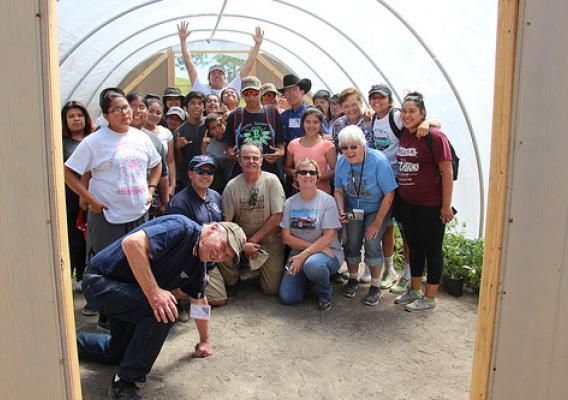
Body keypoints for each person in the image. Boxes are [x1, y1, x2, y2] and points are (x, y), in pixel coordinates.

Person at [76, 214, 246, 398]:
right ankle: (124, 382)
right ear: (213, 229)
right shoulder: (182, 228)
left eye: (226, 256)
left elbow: (199, 301)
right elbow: (132, 243)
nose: (220, 255)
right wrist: (155, 294)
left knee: (117, 353)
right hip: (100, 282)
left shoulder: (198, 266)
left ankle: (67, 342)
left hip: (127, 291)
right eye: (223, 246)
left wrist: (205, 340)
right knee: (164, 311)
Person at [367, 84, 439, 290]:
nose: (376, 101)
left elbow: (425, 122)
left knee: (406, 230)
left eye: (381, 98)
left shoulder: (397, 116)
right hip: (382, 180)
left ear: (390, 100)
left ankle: (408, 273)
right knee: (387, 227)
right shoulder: (373, 117)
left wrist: (427, 122)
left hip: (402, 180)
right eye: (373, 98)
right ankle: (390, 271)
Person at [394, 92, 454, 312]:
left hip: (430, 204)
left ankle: (430, 298)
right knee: (415, 247)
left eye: (412, 112)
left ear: (422, 113)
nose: (407, 115)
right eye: (404, 111)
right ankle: (415, 289)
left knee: (432, 249)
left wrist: (446, 206)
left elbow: (447, 172)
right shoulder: (404, 134)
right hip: (408, 203)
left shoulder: (435, 137)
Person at [210, 144, 286, 304]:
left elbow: (278, 215)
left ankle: (265, 268)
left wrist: (254, 240)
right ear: (239, 161)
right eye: (246, 158)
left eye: (255, 158)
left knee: (271, 290)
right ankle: (234, 279)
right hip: (241, 240)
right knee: (221, 245)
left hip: (269, 240)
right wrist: (242, 245)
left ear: (261, 161)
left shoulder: (272, 181)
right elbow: (226, 222)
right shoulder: (231, 186)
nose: (251, 161)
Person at [334, 125, 397, 306]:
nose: (349, 151)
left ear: (363, 145)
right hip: (355, 208)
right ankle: (353, 278)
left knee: (371, 241)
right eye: (344, 147)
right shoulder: (341, 161)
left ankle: (375, 286)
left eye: (354, 147)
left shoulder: (378, 161)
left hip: (378, 209)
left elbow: (389, 194)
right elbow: (338, 190)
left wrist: (377, 223)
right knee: (352, 241)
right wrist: (340, 211)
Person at [279, 159, 344, 311]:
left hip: (329, 253)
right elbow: (286, 237)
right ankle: (311, 279)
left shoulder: (327, 201)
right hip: (302, 254)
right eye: (303, 172)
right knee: (289, 297)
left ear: (317, 177)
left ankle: (324, 293)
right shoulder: (289, 203)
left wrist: (306, 255)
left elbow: (329, 236)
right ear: (296, 177)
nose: (307, 175)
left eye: (312, 172)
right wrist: (307, 252)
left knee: (313, 264)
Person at [178, 20, 264, 95]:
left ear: (225, 78)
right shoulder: (201, 89)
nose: (217, 75)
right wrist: (183, 40)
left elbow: (248, 68)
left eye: (220, 73)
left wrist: (257, 45)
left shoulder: (231, 90)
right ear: (208, 78)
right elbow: (189, 65)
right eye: (213, 73)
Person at [61, 100, 93, 293]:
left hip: (95, 198)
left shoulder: (93, 139)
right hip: (71, 200)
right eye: (71, 116)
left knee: (90, 241)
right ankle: (72, 278)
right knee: (74, 240)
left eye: (79, 115)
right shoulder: (62, 143)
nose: (76, 119)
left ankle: (85, 275)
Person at [224, 76, 285, 177]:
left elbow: (280, 141)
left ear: (261, 91)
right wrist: (231, 154)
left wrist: (280, 153)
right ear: (242, 95)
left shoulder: (273, 113)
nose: (251, 97)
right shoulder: (234, 116)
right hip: (242, 173)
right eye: (247, 93)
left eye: (254, 92)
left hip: (269, 172)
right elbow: (230, 145)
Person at [126, 93, 170, 215]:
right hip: (117, 204)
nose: (137, 111)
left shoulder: (154, 140)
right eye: (132, 106)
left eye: (141, 107)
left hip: (145, 204)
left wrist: (165, 203)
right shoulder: (112, 136)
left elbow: (163, 174)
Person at [284, 107, 336, 193]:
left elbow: (334, 170)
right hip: (298, 191)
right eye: (307, 122)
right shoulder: (293, 144)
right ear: (303, 123)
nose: (311, 125)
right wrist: (294, 173)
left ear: (320, 124)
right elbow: (287, 167)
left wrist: (316, 178)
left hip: (321, 192)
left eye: (315, 122)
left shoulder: (328, 145)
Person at [142, 97, 177, 202]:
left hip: (163, 181)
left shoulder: (166, 133)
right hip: (144, 181)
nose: (154, 115)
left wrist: (172, 185)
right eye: (151, 111)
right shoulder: (138, 132)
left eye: (158, 113)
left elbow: (170, 161)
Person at [174, 91, 206, 190]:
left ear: (204, 107)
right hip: (189, 180)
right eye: (193, 103)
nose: (197, 106)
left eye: (200, 103)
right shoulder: (180, 131)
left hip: (210, 176)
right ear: (186, 108)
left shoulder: (210, 125)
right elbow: (178, 163)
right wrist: (178, 148)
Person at [201, 113, 233, 194]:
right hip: (225, 186)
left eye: (219, 125)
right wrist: (203, 150)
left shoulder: (235, 137)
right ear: (209, 131)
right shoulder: (210, 148)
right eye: (213, 128)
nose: (218, 130)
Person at [278, 74, 312, 144]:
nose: (291, 94)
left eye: (294, 90)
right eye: (287, 91)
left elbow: (325, 135)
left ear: (302, 92)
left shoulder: (312, 113)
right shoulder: (283, 117)